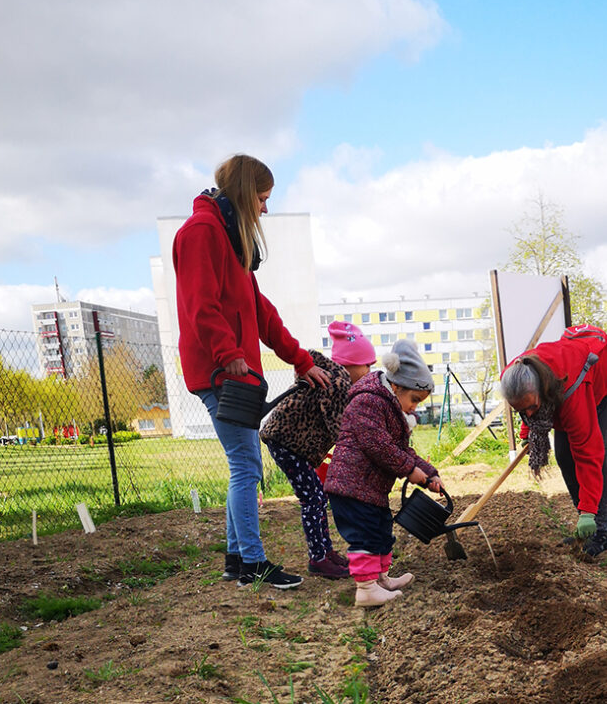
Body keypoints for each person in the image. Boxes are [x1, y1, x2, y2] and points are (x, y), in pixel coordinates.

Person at [172, 153, 330, 590]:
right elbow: (198, 305)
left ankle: (236, 559)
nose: (265, 208)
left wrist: (302, 360)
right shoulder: (201, 232)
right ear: (244, 193)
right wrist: (227, 354)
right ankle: (254, 565)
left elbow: (261, 312)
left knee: (242, 464)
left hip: (234, 372)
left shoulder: (229, 236)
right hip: (219, 374)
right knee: (246, 465)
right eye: (262, 198)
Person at [501, 324, 607, 559]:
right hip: (576, 378)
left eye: (533, 407)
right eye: (522, 410)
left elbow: (589, 453)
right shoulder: (514, 375)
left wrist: (589, 510)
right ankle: (585, 525)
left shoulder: (571, 393)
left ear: (543, 391)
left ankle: (599, 531)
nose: (529, 413)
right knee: (563, 453)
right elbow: (527, 408)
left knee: (599, 446)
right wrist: (527, 429)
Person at [324, 339, 444, 607]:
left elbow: (401, 449)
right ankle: (365, 588)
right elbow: (378, 446)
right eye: (414, 399)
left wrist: (428, 473)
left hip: (370, 489)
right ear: (397, 386)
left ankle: (380, 579)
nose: (415, 407)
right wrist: (409, 470)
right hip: (351, 487)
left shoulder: (389, 406)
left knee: (380, 531)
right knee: (364, 535)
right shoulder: (368, 401)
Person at [259, 321, 376, 579]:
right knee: (313, 498)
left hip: (293, 444)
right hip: (286, 442)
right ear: (352, 364)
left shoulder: (338, 380)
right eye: (368, 364)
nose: (371, 371)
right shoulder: (337, 384)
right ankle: (319, 558)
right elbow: (341, 430)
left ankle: (325, 552)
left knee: (317, 497)